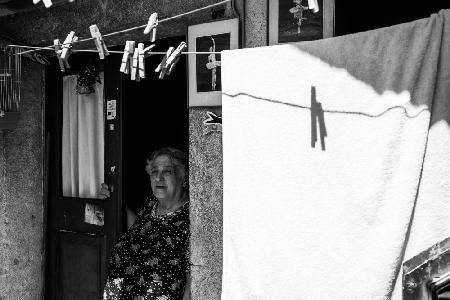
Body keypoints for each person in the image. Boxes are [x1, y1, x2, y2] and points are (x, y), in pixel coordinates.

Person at [101, 147, 191, 300]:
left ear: (185, 178)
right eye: (154, 171)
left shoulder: (191, 217)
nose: (159, 178)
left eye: (168, 171)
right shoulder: (150, 204)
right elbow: (138, 234)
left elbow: (192, 282)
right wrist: (113, 200)